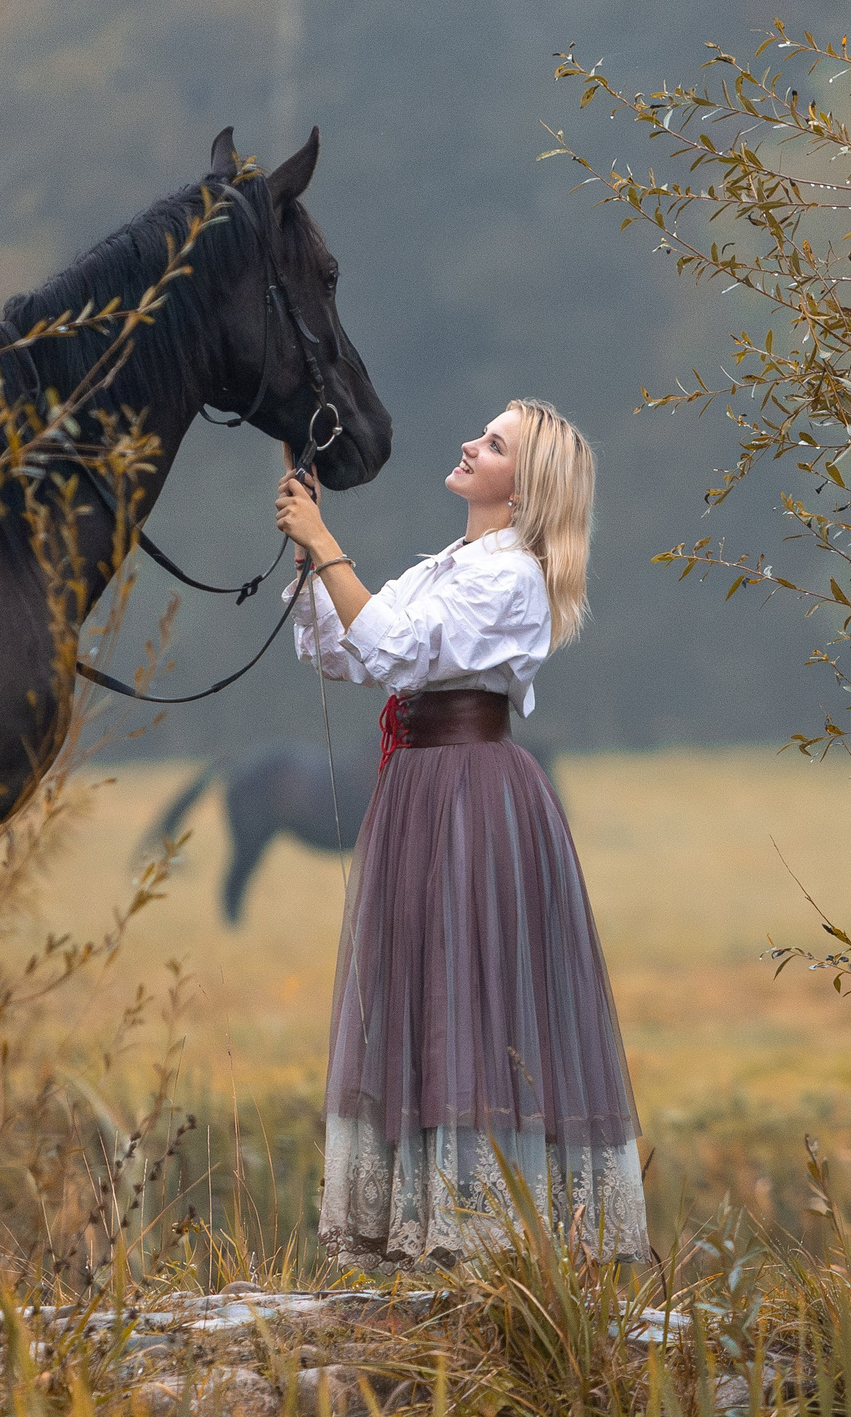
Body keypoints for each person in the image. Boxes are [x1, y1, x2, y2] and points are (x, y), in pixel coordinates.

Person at [272, 398, 646, 1269]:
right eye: (480, 433)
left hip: (471, 793)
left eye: (494, 443)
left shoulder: (511, 576)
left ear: (525, 486)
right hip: (418, 790)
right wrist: (310, 557)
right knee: (421, 988)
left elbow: (399, 649)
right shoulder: (449, 565)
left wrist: (329, 543)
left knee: (471, 992)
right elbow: (347, 651)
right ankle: (426, 1234)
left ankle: (487, 1238)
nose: (470, 445)